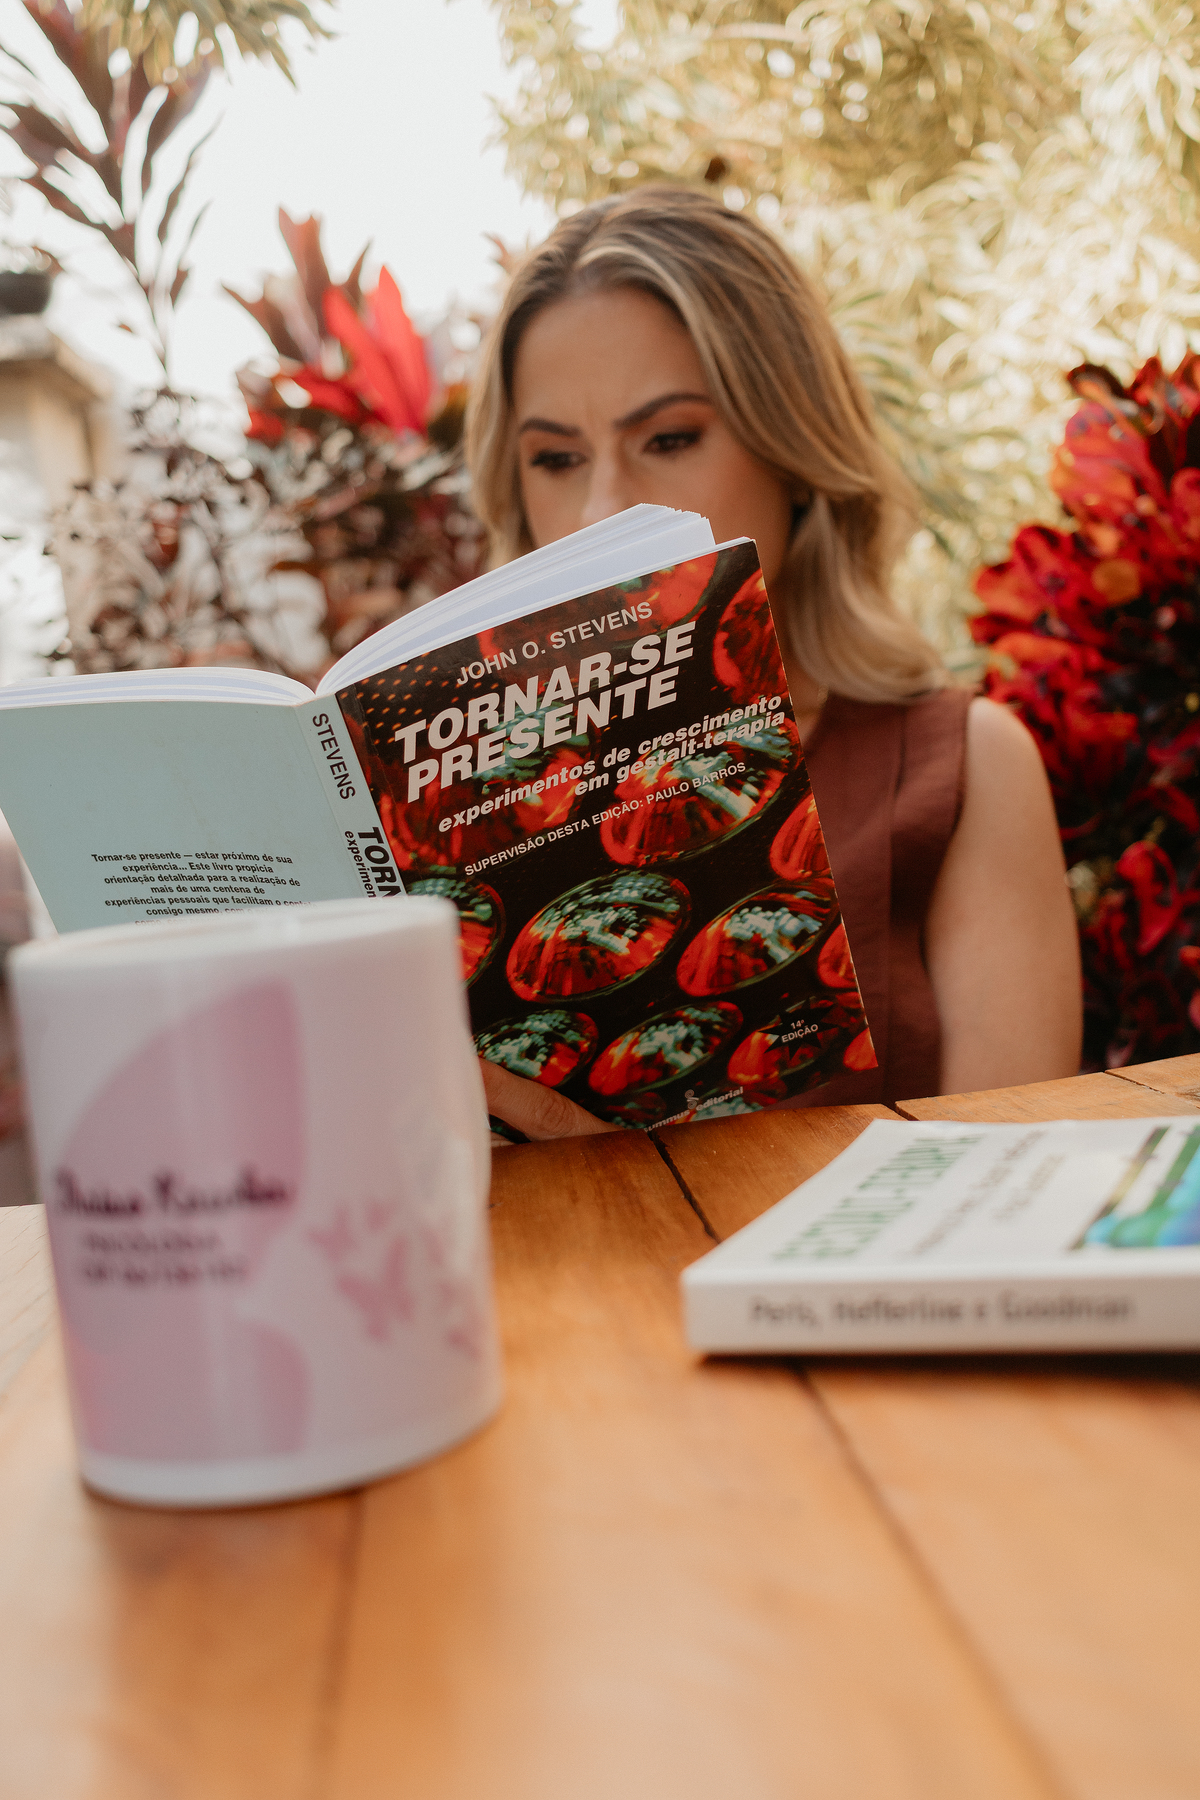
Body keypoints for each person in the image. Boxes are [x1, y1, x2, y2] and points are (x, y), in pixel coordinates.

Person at [465, 184, 1081, 1140]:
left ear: (793, 453)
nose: (601, 512)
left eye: (669, 439)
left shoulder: (960, 767)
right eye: (556, 458)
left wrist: (640, 1184)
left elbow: (1014, 1197)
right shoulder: (474, 814)